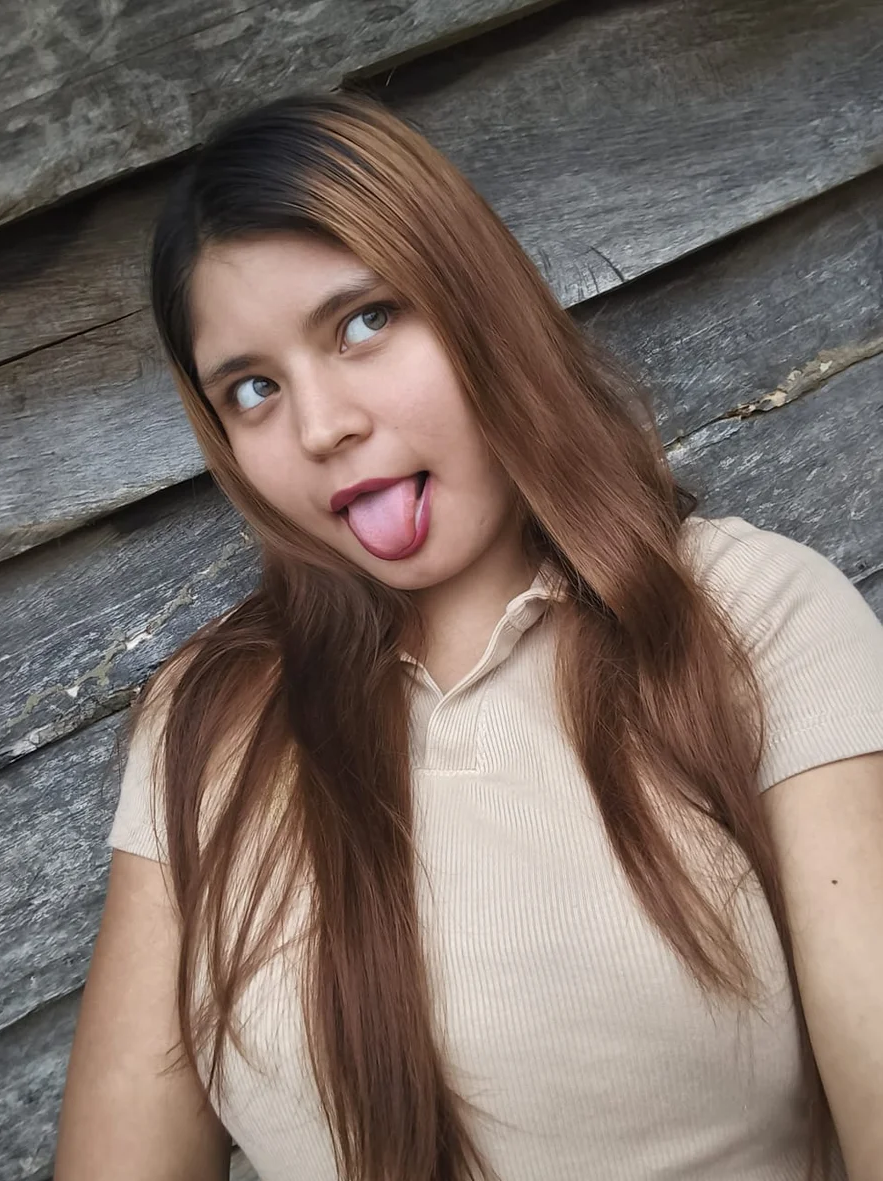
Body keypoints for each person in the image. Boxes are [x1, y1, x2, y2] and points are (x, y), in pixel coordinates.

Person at [54, 92, 883, 1181]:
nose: (322, 425)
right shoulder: (207, 720)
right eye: (252, 389)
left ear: (476, 301)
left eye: (363, 321)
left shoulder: (755, 618)